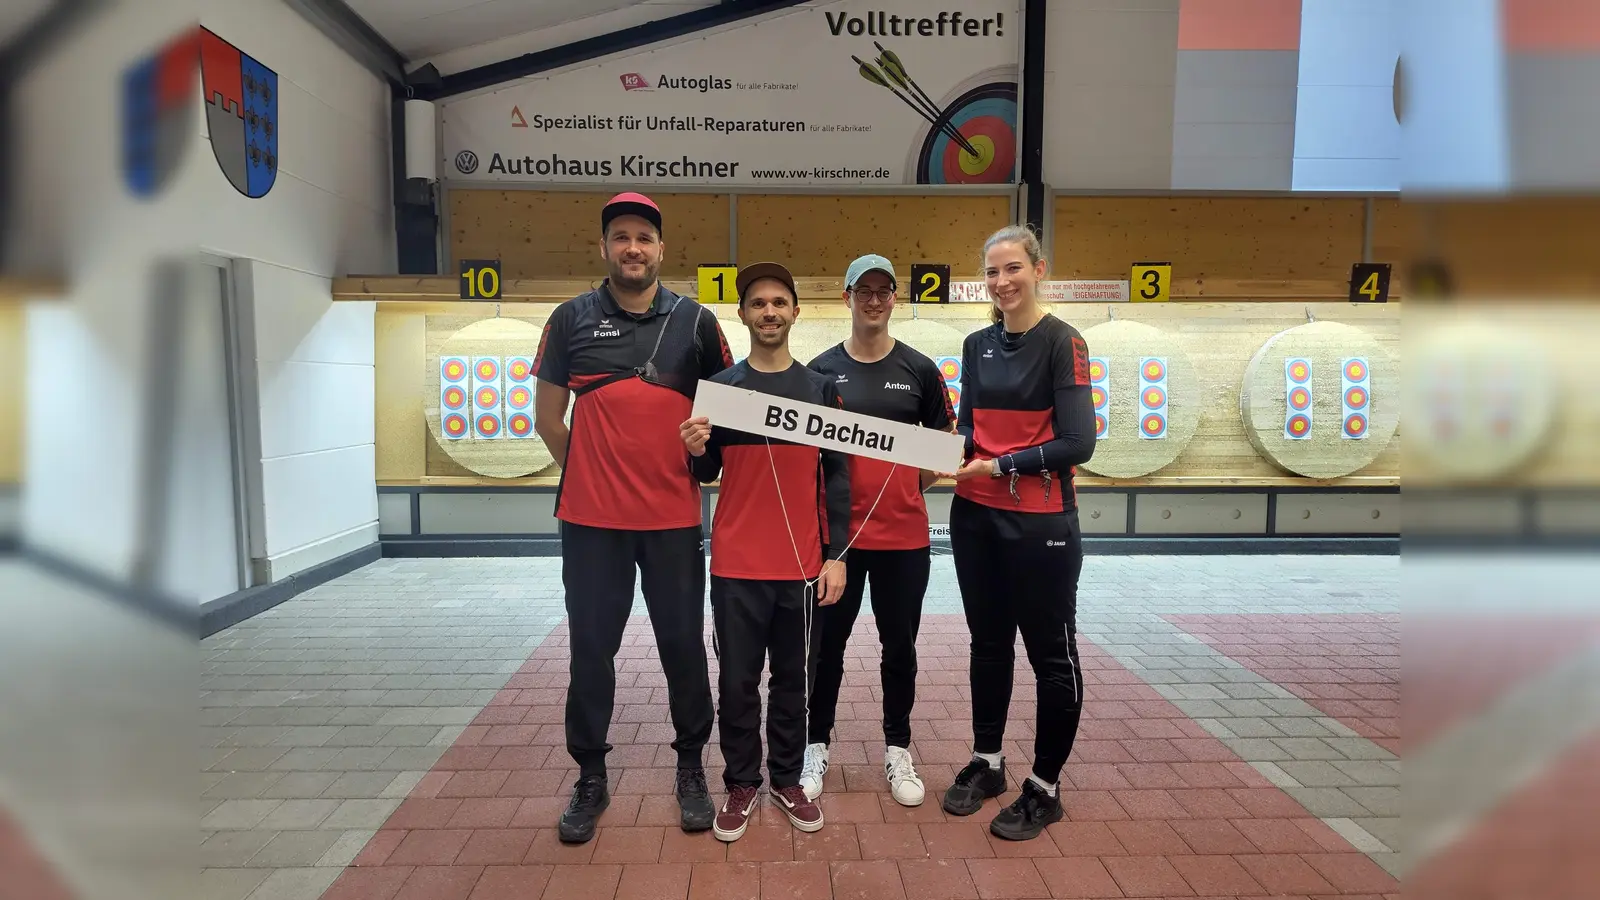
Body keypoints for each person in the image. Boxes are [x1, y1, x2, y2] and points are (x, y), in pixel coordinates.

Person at [532, 192, 734, 843]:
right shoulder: (569, 320)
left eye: (643, 238)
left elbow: (726, 415)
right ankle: (590, 776)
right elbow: (547, 420)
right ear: (604, 248)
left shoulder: (697, 322)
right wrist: (593, 474)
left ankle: (691, 769)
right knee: (592, 650)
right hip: (591, 526)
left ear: (661, 249)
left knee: (682, 649)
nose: (633, 248)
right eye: (621, 237)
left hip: (673, 522)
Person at [678, 261, 851, 842]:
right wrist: (695, 448)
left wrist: (837, 555)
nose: (769, 311)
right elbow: (705, 470)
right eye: (758, 303)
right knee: (737, 682)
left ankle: (786, 778)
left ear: (795, 311)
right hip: (735, 565)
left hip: (802, 566)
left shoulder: (821, 388)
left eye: (780, 301)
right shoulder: (720, 389)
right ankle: (742, 782)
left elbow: (837, 477)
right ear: (744, 313)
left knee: (794, 684)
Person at [942, 224, 1096, 842]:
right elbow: (965, 431)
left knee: (1052, 656)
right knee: (987, 643)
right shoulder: (976, 344)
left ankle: (1045, 787)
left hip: (1041, 526)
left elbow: (1079, 441)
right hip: (974, 516)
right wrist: (925, 458)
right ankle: (989, 762)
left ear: (1039, 269)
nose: (1002, 282)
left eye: (1013, 269)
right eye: (991, 272)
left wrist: (1002, 464)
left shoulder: (1065, 341)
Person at [799, 254, 956, 807]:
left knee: (900, 649)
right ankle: (815, 746)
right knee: (826, 649)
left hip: (904, 541)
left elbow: (944, 446)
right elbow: (807, 457)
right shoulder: (818, 371)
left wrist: (907, 487)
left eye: (883, 291)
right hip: (837, 544)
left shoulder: (919, 370)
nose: (873, 299)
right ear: (846, 297)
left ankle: (898, 749)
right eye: (862, 290)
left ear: (894, 299)